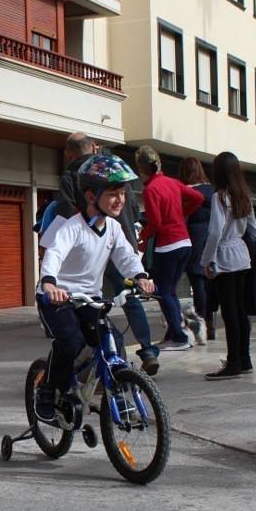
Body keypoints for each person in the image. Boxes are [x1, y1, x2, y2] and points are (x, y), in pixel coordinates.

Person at [34, 154, 156, 420]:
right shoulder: (72, 228)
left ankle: (117, 394)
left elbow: (126, 256)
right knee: (71, 341)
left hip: (89, 299)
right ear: (91, 197)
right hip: (57, 297)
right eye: (113, 194)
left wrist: (140, 275)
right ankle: (48, 389)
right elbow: (54, 253)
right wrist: (50, 283)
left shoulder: (112, 228)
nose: (120, 200)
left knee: (113, 340)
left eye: (122, 193)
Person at [135, 145, 205, 351]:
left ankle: (179, 336)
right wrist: (182, 213)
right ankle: (176, 332)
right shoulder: (172, 182)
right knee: (170, 291)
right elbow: (198, 198)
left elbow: (155, 222)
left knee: (163, 291)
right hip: (185, 242)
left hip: (167, 245)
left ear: (141, 168)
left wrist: (143, 236)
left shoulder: (150, 189)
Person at [200, 151, 256, 380]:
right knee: (241, 311)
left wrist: (207, 260)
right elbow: (253, 232)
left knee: (229, 311)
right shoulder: (244, 196)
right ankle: (245, 359)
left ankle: (233, 362)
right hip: (242, 255)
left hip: (224, 256)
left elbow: (215, 231)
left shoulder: (219, 197)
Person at [179, 156, 216, 342]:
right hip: (211, 238)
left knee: (197, 282)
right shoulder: (211, 191)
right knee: (208, 282)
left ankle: (203, 324)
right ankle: (211, 323)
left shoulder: (185, 192)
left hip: (193, 239)